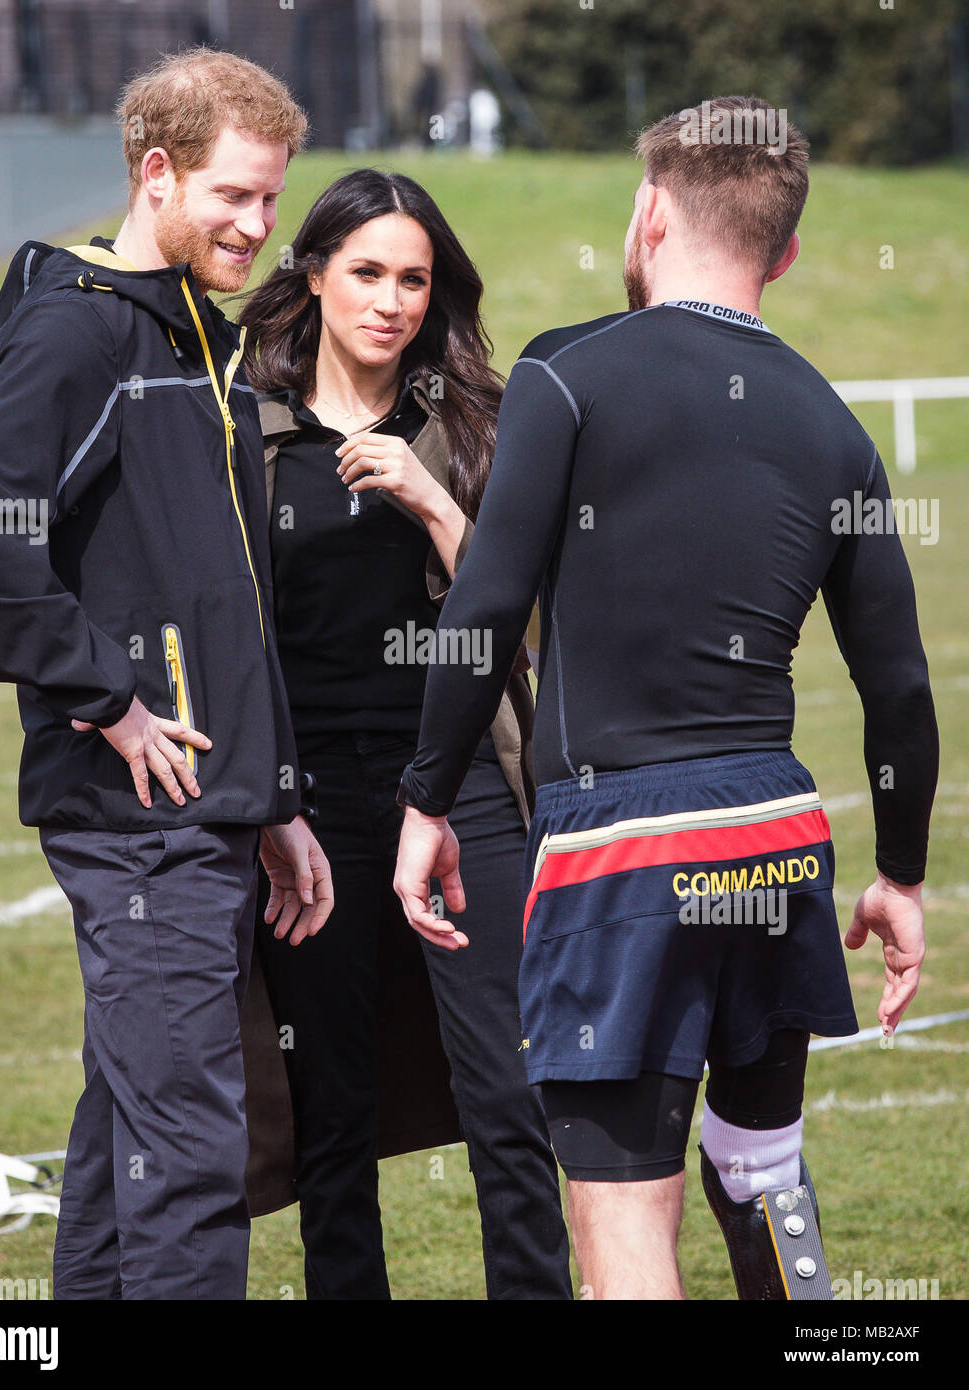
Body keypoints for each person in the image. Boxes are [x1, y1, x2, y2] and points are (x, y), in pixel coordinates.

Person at [394, 95, 939, 1300]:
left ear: (647, 215)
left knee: (623, 1226)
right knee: (761, 1172)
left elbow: (484, 606)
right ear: (783, 252)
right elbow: (898, 686)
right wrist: (899, 875)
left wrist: (426, 797)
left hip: (621, 848)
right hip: (774, 833)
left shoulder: (568, 375)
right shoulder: (834, 425)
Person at [0, 47, 333, 1300]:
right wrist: (103, 697)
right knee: (195, 1154)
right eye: (236, 197)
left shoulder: (190, 335)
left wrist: (270, 798)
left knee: (126, 1148)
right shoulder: (80, 330)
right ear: (157, 175)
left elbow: (218, 599)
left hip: (204, 807)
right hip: (137, 820)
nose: (259, 227)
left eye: (272, 200)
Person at [236, 169, 572, 1299]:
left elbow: (520, 620)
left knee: (507, 1099)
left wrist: (432, 501)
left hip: (463, 786)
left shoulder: (474, 419)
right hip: (308, 806)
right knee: (333, 1107)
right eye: (368, 272)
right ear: (316, 273)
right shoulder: (245, 429)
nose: (391, 300)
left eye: (414, 279)